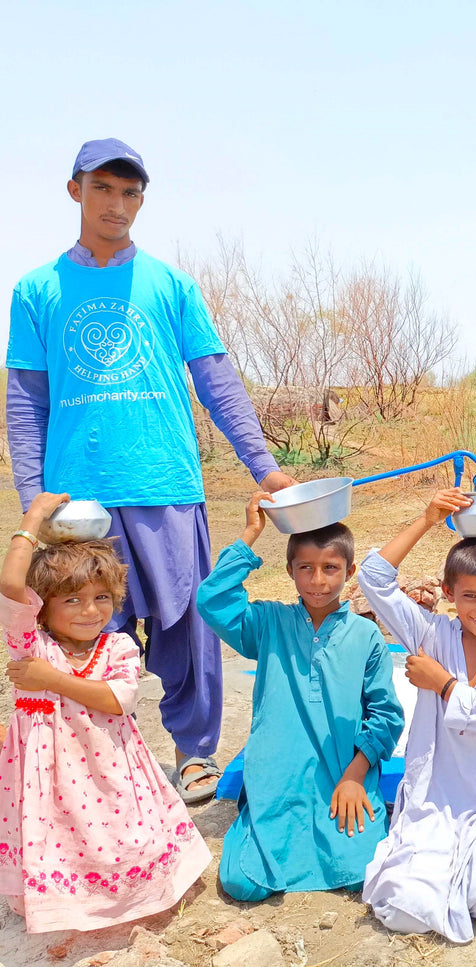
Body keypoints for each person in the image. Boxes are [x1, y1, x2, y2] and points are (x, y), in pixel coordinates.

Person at [5, 139, 297, 803]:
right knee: (87, 629)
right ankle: (102, 766)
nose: (118, 204)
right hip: (80, 505)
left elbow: (217, 381)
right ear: (75, 190)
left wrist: (266, 465)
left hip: (166, 485)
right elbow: (25, 402)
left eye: (131, 192)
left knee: (188, 627)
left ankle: (193, 754)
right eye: (104, 188)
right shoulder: (37, 290)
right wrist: (32, 498)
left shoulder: (171, 285)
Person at [0, 493, 211, 933]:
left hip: (112, 773)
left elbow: (118, 700)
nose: (90, 610)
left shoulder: (118, 646)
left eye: (100, 597)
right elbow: (9, 584)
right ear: (42, 607)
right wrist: (33, 518)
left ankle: (137, 896)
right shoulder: (33, 646)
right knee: (61, 839)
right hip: (49, 781)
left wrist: (50, 679)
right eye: (71, 600)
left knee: (121, 835)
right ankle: (67, 905)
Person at [358, 489, 476, 944]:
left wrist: (443, 683)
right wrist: (426, 520)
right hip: (437, 797)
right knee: (403, 907)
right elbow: (373, 578)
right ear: (448, 593)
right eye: (469, 596)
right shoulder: (430, 632)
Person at [195, 492, 403, 900]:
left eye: (330, 568)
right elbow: (212, 600)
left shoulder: (365, 635)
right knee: (243, 883)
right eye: (305, 568)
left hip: (342, 774)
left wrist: (355, 777)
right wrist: (251, 533)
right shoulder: (268, 623)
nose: (318, 580)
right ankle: (253, 813)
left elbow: (386, 716)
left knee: (364, 873)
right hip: (279, 777)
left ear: (350, 570)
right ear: (290, 571)